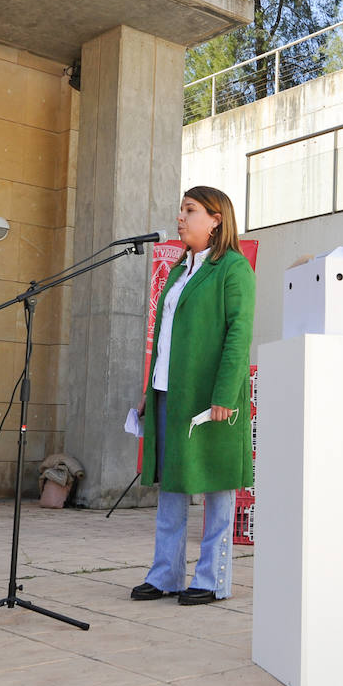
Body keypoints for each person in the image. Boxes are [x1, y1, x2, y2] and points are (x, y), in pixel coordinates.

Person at [134, 186, 255, 606]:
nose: (180, 218)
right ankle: (165, 574)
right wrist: (149, 390)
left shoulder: (233, 268)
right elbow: (163, 338)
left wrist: (225, 393)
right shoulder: (177, 270)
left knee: (217, 485)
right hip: (170, 391)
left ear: (216, 218)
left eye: (190, 211)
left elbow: (239, 334)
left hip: (210, 398)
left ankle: (211, 579)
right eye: (181, 210)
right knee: (173, 486)